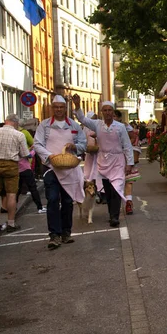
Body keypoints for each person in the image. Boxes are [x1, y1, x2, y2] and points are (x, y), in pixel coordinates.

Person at [34, 96, 87, 249]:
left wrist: (75, 147)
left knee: (67, 201)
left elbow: (83, 143)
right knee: (52, 199)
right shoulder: (44, 125)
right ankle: (54, 235)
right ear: (52, 108)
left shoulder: (74, 125)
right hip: (51, 168)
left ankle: (66, 232)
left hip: (69, 168)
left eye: (61, 107)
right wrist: (49, 156)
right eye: (55, 107)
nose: (58, 110)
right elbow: (38, 144)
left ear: (65, 108)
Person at [73, 96, 134, 228]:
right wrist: (77, 106)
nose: (107, 112)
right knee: (108, 190)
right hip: (103, 162)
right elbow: (82, 119)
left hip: (117, 161)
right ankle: (111, 213)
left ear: (113, 112)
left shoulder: (120, 127)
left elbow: (127, 145)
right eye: (105, 110)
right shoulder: (97, 124)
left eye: (109, 110)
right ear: (102, 112)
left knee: (117, 188)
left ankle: (114, 216)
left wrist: (129, 163)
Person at [0, 115, 31, 233]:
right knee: (11, 194)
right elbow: (25, 153)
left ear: (6, 121)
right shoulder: (19, 135)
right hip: (11, 165)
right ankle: (11, 223)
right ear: (15, 123)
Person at [114, 110, 140, 215]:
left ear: (119, 118)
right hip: (114, 159)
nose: (113, 117)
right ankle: (115, 206)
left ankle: (128, 203)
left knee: (128, 181)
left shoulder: (125, 126)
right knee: (116, 182)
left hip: (126, 157)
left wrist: (127, 147)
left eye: (115, 116)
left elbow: (134, 138)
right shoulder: (106, 126)